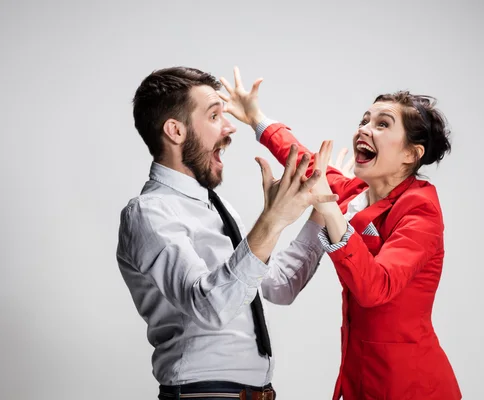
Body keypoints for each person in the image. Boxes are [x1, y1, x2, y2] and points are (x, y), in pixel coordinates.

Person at [220, 67, 462, 400]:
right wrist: (256, 118)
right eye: (365, 120)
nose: (365, 129)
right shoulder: (357, 191)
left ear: (410, 154)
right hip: (360, 376)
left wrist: (330, 210)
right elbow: (304, 159)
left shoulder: (421, 209)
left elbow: (374, 288)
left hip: (411, 386)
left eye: (382, 124)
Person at [116, 66, 338, 400]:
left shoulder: (216, 207)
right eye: (215, 115)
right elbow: (210, 307)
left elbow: (278, 286)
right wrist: (272, 220)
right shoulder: (150, 213)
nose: (231, 126)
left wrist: (323, 209)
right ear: (176, 131)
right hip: (203, 394)